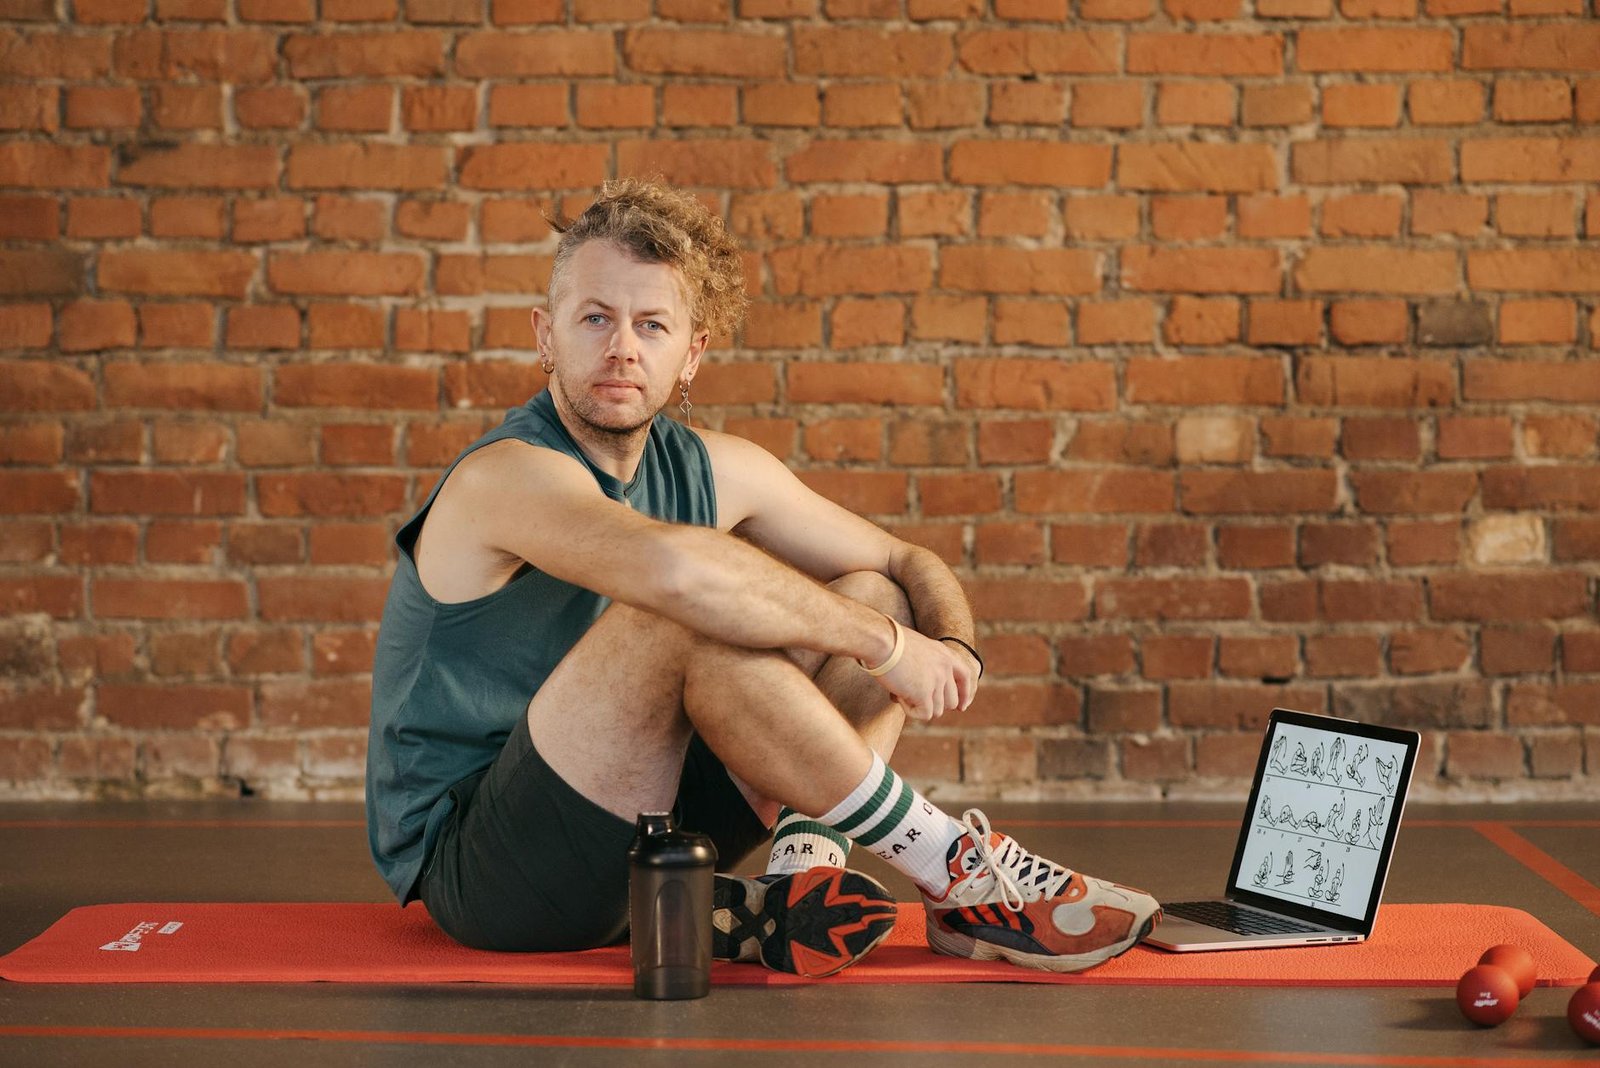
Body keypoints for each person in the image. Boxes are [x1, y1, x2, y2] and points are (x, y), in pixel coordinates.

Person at [365, 176, 1161, 978]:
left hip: (654, 830)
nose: (622, 349)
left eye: (652, 325)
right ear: (546, 335)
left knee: (869, 592)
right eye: (595, 319)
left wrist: (948, 644)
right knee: (684, 611)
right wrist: (888, 648)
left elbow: (900, 562)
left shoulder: (717, 466)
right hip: (490, 871)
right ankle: (951, 864)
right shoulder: (504, 476)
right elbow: (676, 573)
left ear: (693, 352)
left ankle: (802, 871)